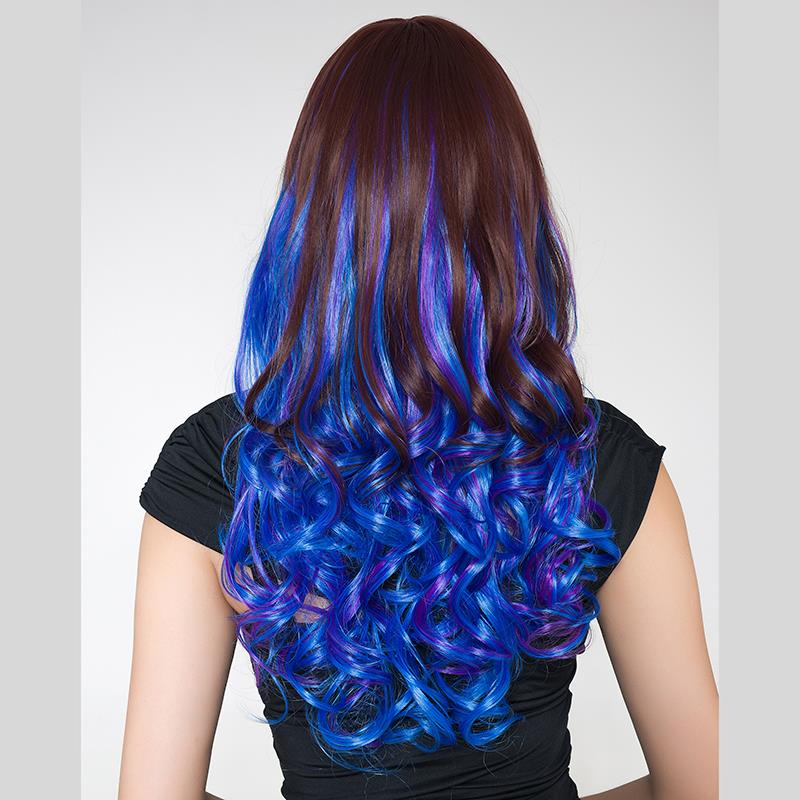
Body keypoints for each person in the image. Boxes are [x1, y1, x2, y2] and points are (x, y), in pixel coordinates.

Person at [118, 15, 718, 800]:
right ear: (510, 213)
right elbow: (709, 785)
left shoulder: (218, 464)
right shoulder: (602, 461)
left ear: (314, 214)